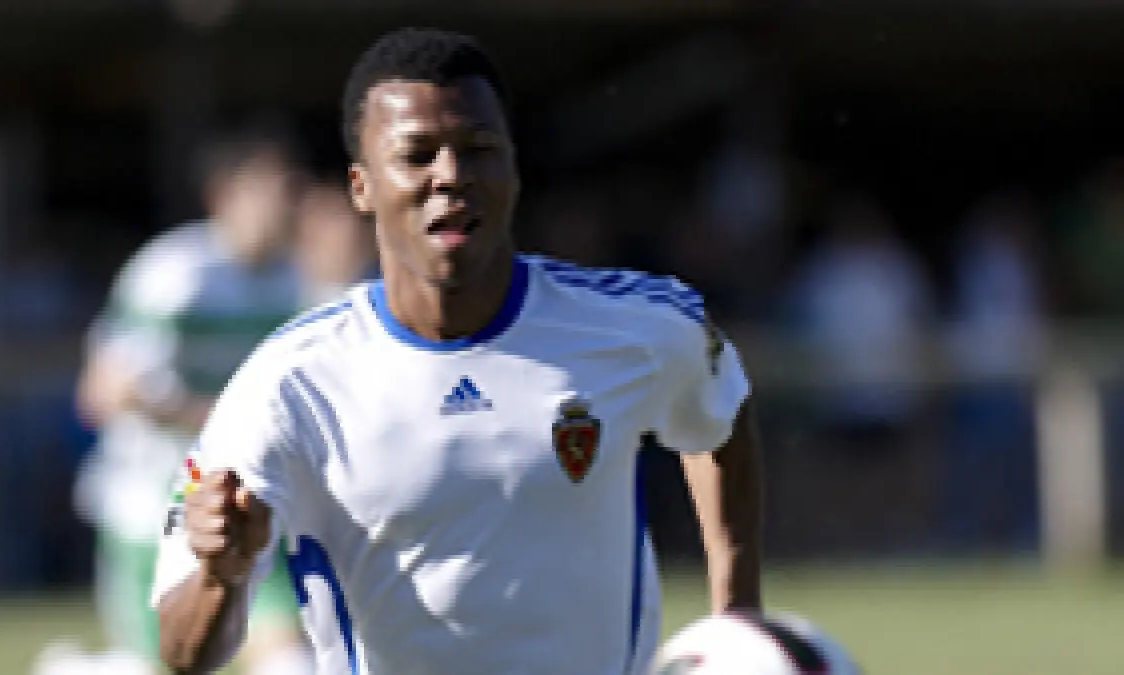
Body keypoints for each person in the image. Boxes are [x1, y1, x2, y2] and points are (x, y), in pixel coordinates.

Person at [153, 27, 762, 675]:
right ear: (361, 187)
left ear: (513, 170)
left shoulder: (638, 326)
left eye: (479, 150)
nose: (451, 176)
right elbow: (183, 652)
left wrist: (737, 621)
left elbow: (719, 414)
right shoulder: (286, 383)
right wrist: (221, 576)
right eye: (417, 156)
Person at [69, 124, 313, 675]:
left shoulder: (294, 280)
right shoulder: (177, 275)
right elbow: (104, 391)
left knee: (290, 658)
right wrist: (217, 421)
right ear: (225, 194)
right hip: (152, 502)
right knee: (163, 661)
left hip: (244, 497)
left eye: (293, 187)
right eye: (274, 187)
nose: (287, 201)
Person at [295, 176, 379, 306]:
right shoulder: (274, 300)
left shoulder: (390, 302)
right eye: (308, 216)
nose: (313, 231)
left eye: (330, 217)